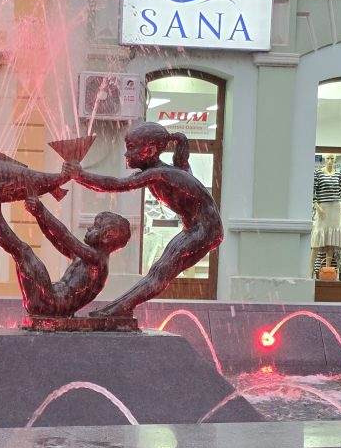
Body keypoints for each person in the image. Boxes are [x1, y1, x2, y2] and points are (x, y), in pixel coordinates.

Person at [62, 122, 222, 318]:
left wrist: (80, 175)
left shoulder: (160, 174)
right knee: (160, 271)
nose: (126, 154)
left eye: (131, 148)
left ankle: (118, 309)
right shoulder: (157, 173)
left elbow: (117, 184)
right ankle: (117, 309)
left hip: (205, 229)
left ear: (151, 151)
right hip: (198, 229)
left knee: (161, 271)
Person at [0, 193, 130, 317]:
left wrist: (41, 210)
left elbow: (65, 235)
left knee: (23, 251)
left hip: (50, 303)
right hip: (48, 300)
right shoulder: (86, 258)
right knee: (21, 253)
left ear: (107, 236)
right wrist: (38, 215)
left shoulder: (97, 261)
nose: (89, 228)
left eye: (95, 226)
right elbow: (55, 238)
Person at [309, 153, 341, 278]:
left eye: (332, 158)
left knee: (331, 241)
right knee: (316, 242)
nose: (330, 161)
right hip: (322, 208)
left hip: (335, 208)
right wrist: (316, 205)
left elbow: (339, 192)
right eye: (328, 158)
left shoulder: (339, 174)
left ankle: (327, 272)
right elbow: (312, 190)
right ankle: (310, 272)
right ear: (324, 159)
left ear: (335, 160)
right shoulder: (318, 173)